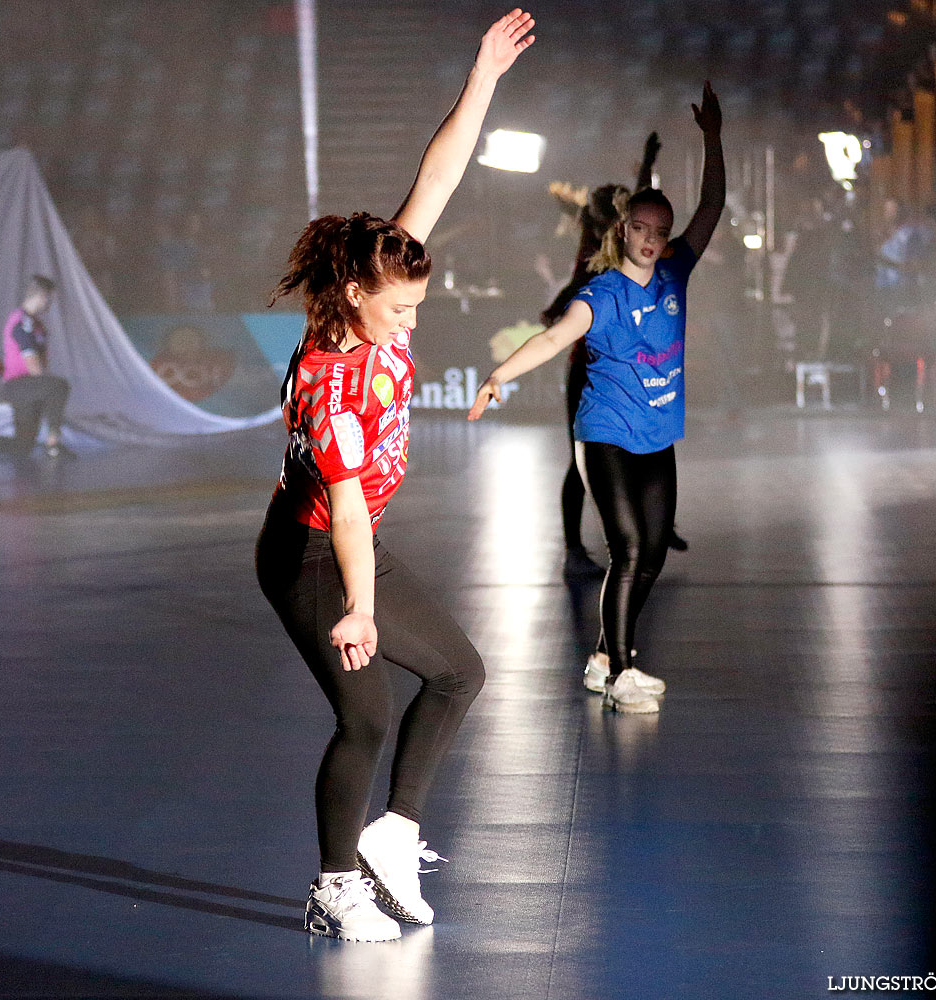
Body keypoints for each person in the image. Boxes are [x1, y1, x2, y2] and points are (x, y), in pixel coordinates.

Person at [256, 9, 534, 943]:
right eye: (402, 309)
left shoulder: (377, 273)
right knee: (365, 717)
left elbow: (439, 175)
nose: (412, 321)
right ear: (353, 296)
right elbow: (339, 511)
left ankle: (395, 833)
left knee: (459, 672)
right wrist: (362, 611)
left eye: (420, 302)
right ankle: (333, 887)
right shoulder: (328, 382)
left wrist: (485, 78)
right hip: (307, 554)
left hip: (353, 540)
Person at [468, 82, 724, 714]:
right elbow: (555, 337)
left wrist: (713, 140)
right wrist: (502, 373)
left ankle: (604, 654)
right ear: (625, 229)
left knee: (656, 552)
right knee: (630, 548)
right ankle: (623, 674)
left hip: (656, 434)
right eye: (642, 227)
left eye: (661, 230)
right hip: (604, 431)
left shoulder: (675, 273)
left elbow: (713, 206)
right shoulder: (602, 292)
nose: (652, 238)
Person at [544, 135, 688, 574]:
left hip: (622, 369)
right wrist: (558, 306)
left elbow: (642, 197)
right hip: (588, 370)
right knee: (581, 458)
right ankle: (573, 549)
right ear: (613, 218)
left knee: (642, 446)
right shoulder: (598, 250)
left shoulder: (621, 240)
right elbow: (578, 290)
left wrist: (647, 161)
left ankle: (657, 525)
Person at [0, 275, 71, 457]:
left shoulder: (38, 325)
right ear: (41, 295)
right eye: (49, 298)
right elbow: (30, 359)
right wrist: (44, 386)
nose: (50, 303)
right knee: (59, 386)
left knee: (23, 444)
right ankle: (53, 441)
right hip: (19, 385)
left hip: (28, 386)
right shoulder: (22, 321)